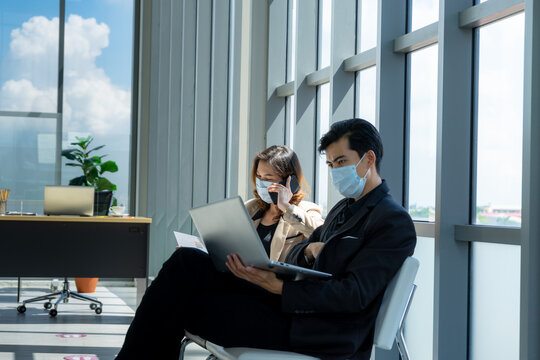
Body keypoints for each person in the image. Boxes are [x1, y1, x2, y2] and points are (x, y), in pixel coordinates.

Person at [116, 119, 416, 360]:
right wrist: (308, 252)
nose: (335, 171)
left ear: (369, 159)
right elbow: (298, 251)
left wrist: (278, 286)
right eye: (331, 165)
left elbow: (355, 295)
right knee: (188, 262)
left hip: (320, 330)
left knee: (175, 304)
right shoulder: (344, 209)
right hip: (292, 309)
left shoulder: (392, 221)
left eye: (341, 162)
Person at [246, 145, 324, 261]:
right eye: (259, 176)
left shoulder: (307, 210)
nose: (262, 183)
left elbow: (323, 235)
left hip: (277, 279)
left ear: (289, 180)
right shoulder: (250, 207)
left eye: (268, 178)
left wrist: (286, 207)